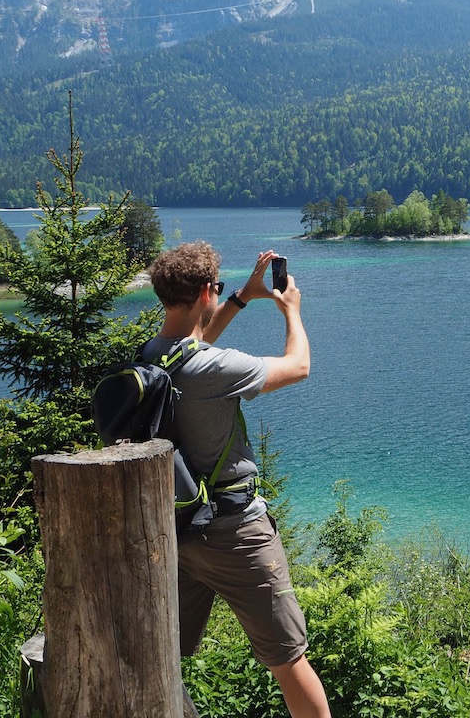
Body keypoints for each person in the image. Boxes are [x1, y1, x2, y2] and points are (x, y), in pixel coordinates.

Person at [144, 241, 331, 718]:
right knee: (288, 659)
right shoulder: (213, 368)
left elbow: (193, 345)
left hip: (179, 530)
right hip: (236, 534)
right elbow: (299, 366)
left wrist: (243, 298)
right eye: (219, 289)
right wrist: (292, 311)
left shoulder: (149, 356)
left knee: (164, 653)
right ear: (207, 290)